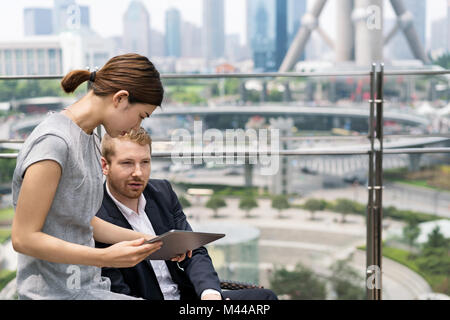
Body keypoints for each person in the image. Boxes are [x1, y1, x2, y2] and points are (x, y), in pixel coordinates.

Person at [11, 53, 188, 300]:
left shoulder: (91, 137)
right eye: (141, 116)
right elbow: (23, 238)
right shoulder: (53, 143)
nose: (138, 128)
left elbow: (80, 218)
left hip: (90, 289)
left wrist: (150, 242)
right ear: (120, 98)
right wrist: (105, 257)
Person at [95, 128, 278, 300]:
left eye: (145, 162)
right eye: (127, 163)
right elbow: (117, 289)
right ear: (105, 165)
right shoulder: (96, 216)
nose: (138, 172)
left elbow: (194, 250)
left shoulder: (162, 192)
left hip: (187, 295)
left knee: (265, 298)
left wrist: (210, 294)